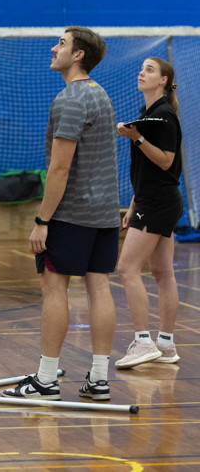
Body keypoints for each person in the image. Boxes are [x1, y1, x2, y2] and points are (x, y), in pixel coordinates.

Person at [3, 27, 120, 402]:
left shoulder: (70, 99)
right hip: (103, 213)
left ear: (79, 55)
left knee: (55, 288)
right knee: (99, 287)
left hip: (72, 214)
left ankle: (46, 380)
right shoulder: (100, 94)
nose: (54, 48)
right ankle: (99, 379)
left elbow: (59, 168)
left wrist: (42, 221)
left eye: (62, 44)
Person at [115, 57, 183, 368]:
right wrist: (133, 204)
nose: (142, 72)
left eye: (150, 69)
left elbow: (166, 162)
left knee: (127, 269)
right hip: (153, 201)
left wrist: (137, 138)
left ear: (164, 81)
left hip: (158, 203)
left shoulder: (164, 116)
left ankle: (143, 342)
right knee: (162, 273)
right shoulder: (149, 114)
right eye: (141, 68)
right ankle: (166, 345)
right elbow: (146, 171)